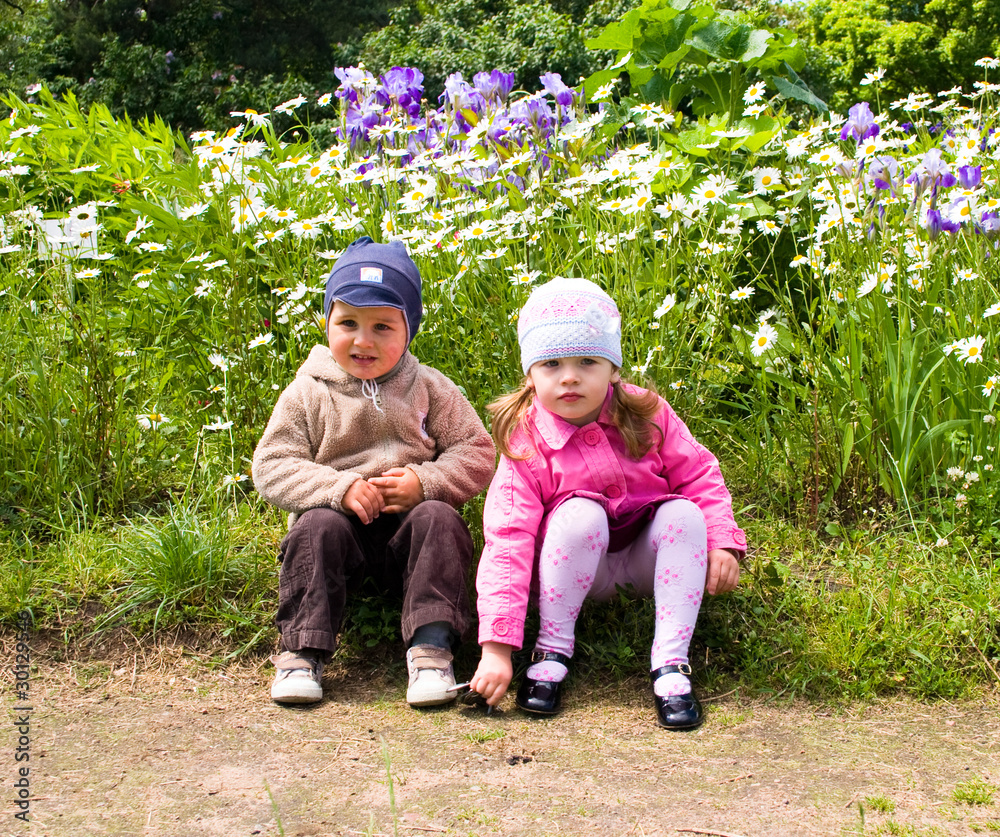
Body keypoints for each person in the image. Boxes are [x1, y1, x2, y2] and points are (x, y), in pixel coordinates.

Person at [469, 278, 746, 729]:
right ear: (530, 374)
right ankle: (552, 648)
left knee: (683, 513)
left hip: (649, 566)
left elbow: (698, 474)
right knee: (579, 513)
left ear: (613, 368)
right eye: (551, 363)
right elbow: (508, 536)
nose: (570, 376)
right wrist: (497, 648)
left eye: (587, 361)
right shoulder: (526, 440)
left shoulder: (646, 411)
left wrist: (721, 541)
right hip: (574, 571)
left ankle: (671, 663)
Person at [252, 236, 495, 708]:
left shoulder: (428, 386)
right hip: (342, 530)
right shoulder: (308, 391)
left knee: (440, 519)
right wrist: (337, 488)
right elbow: (272, 464)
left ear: (409, 331)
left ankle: (432, 651)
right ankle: (301, 652)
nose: (363, 340)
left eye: (382, 326)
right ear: (326, 322)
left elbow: (477, 450)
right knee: (314, 528)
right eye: (348, 323)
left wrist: (426, 482)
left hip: (412, 530)